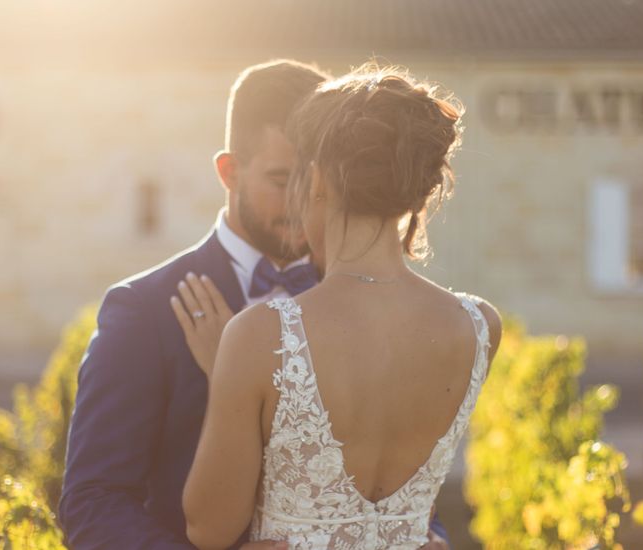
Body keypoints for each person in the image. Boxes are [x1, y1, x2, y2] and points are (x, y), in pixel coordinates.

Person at [60, 60, 456, 550]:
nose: (302, 201)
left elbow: (396, 477)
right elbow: (93, 502)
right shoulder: (144, 310)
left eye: (312, 181)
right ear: (229, 172)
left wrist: (429, 536)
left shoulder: (371, 298)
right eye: (279, 179)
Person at [174, 65, 502, 549]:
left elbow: (209, 528)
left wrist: (224, 375)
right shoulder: (479, 326)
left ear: (320, 178)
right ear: (419, 190)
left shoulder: (260, 337)